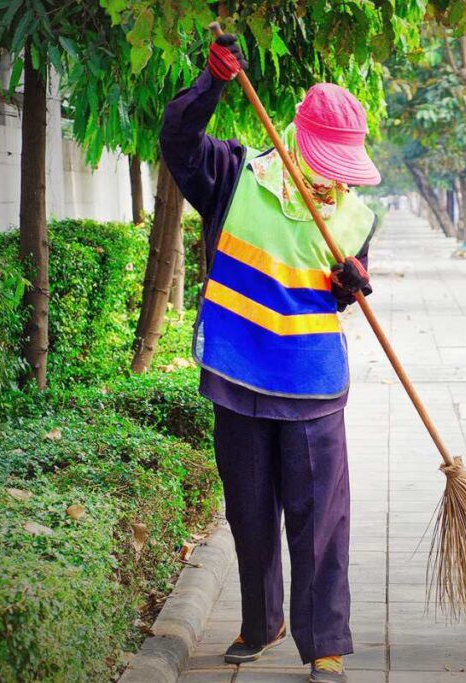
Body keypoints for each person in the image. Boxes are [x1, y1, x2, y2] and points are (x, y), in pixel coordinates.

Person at [159, 32, 382, 683]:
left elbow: (347, 286)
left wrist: (350, 284)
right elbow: (177, 141)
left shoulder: (358, 216)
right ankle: (261, 622)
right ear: (298, 139)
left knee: (321, 521)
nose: (336, 175)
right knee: (250, 512)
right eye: (327, 160)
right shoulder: (234, 177)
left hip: (313, 384)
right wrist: (211, 84)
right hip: (240, 374)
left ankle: (326, 643)